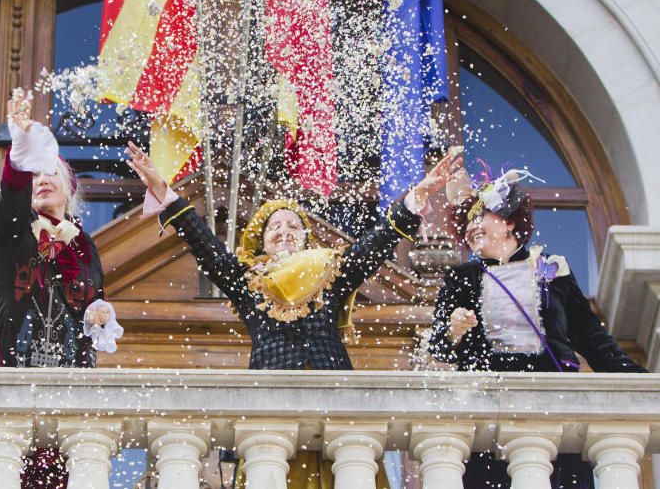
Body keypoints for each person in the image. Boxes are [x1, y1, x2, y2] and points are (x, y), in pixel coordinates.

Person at [127, 143, 462, 487]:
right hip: (271, 413)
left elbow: (373, 247)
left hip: (338, 410)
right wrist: (164, 192)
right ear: (263, 241)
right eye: (275, 227)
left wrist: (414, 198)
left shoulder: (331, 272)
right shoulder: (246, 282)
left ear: (305, 239)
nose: (284, 230)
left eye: (293, 225)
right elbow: (206, 246)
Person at [428, 166, 647, 488]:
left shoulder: (553, 269)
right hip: (487, 407)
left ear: (509, 221)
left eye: (479, 218)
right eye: (468, 222)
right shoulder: (461, 279)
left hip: (554, 403)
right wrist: (454, 330)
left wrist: (642, 383)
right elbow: (437, 347)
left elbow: (592, 339)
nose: (471, 228)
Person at [0, 89, 119, 487]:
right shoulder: (15, 231)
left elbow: (93, 302)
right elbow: (10, 201)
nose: (41, 181)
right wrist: (24, 148)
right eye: (35, 175)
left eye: (50, 174)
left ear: (68, 188)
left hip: (68, 391)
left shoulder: (84, 244)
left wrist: (100, 313)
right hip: (11, 379)